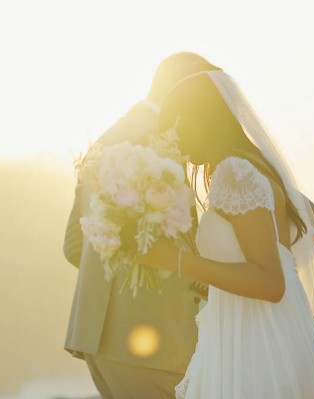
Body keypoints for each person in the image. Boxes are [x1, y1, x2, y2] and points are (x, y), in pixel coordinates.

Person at [139, 66, 314, 398]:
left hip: (260, 343)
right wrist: (245, 273)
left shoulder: (235, 171)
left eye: (176, 127)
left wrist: (176, 261)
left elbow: (270, 283)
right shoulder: (254, 164)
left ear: (197, 120)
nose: (176, 141)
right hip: (277, 330)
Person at [62, 52, 221, 399]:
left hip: (97, 341)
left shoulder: (106, 138)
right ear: (187, 89)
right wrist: (217, 286)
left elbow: (75, 246)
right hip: (156, 342)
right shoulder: (167, 142)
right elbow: (180, 246)